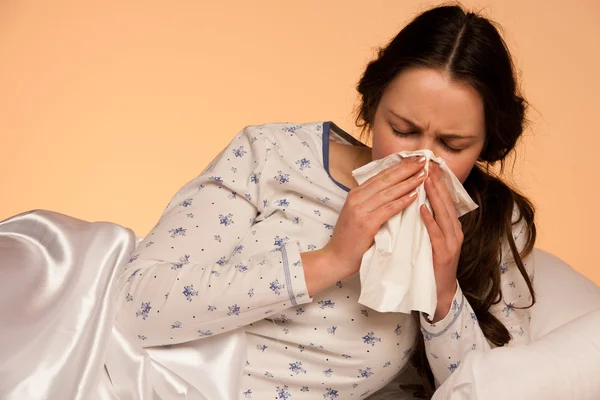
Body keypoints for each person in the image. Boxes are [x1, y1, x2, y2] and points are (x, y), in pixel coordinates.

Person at [115, 4, 536, 399]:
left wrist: (443, 293)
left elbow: (500, 389)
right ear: (371, 106)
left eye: (452, 144)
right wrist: (331, 260)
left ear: (486, 145)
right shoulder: (271, 154)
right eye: (403, 130)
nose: (421, 158)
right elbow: (134, 307)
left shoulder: (494, 222)